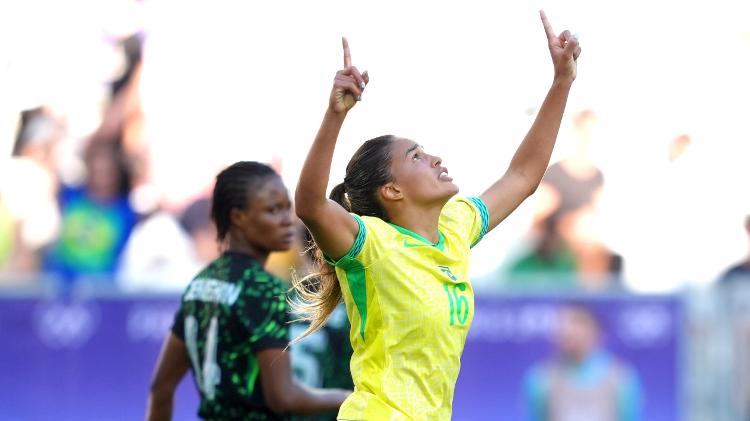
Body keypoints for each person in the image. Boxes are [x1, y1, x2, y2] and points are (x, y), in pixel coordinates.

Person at [292, 11, 581, 420]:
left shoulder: (455, 228)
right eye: (416, 156)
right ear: (391, 191)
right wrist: (336, 114)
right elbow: (310, 206)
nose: (435, 158)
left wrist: (562, 81)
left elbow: (523, 176)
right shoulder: (370, 243)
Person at [146, 162, 350, 421]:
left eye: (287, 208)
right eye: (272, 210)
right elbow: (282, 398)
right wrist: (348, 397)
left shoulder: (201, 282)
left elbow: (161, 387)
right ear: (238, 217)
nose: (288, 221)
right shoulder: (263, 289)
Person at [523, 304, 643, 421]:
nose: (568, 330)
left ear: (596, 331)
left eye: (577, 323)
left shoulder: (621, 377)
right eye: (562, 324)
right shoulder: (541, 377)